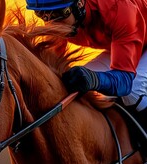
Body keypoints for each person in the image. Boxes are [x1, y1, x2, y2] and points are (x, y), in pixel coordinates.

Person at [26, 0, 147, 128]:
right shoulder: (62, 19)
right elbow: (54, 66)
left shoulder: (119, 8)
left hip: (140, 41)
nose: (51, 24)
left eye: (59, 14)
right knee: (70, 80)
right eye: (41, 14)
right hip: (129, 43)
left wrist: (94, 80)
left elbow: (124, 82)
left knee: (134, 89)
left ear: (80, 3)